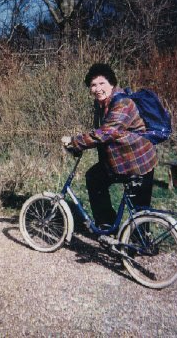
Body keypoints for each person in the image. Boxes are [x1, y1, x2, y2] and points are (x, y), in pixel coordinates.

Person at [62, 63, 157, 229]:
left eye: (101, 83)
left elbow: (106, 133)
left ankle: (140, 245)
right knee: (94, 178)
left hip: (138, 163)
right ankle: (107, 226)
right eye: (93, 85)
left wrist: (75, 141)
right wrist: (80, 145)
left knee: (140, 213)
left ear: (112, 84)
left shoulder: (122, 104)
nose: (97, 89)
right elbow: (101, 132)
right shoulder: (102, 104)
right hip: (119, 161)